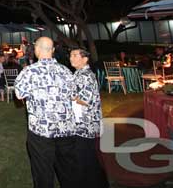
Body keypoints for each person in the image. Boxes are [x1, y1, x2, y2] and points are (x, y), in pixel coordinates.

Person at [14, 36, 77, 188]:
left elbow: (19, 95)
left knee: (43, 173)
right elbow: (74, 95)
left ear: (36, 50)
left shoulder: (29, 72)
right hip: (66, 130)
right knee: (68, 172)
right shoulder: (66, 70)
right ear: (53, 51)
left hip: (42, 132)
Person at [69, 48, 109, 188]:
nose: (71, 58)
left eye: (75, 55)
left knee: (85, 157)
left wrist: (70, 97)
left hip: (86, 123)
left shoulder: (86, 75)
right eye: (71, 55)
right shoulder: (79, 73)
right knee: (87, 157)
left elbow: (85, 100)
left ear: (85, 59)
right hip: (83, 122)